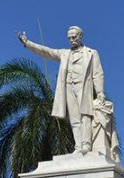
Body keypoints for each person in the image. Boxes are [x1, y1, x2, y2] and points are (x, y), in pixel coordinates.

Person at [18, 26, 105, 154]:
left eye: (74, 37)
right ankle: (79, 146)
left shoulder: (91, 53)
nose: (71, 40)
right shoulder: (65, 53)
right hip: (69, 87)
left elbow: (97, 74)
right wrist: (28, 43)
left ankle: (86, 145)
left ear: (80, 36)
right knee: (74, 118)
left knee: (85, 115)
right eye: (69, 38)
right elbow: (46, 52)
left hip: (83, 87)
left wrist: (100, 92)